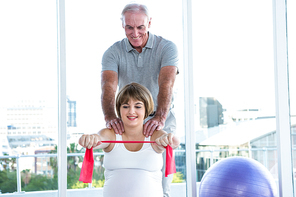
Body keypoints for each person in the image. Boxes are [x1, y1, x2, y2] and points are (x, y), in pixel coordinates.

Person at [101, 3, 179, 196]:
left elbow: (166, 83)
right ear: (123, 26)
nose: (135, 33)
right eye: (129, 27)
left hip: (160, 118)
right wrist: (110, 116)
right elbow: (108, 86)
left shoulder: (167, 48)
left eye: (140, 27)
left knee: (160, 183)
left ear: (149, 23)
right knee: (124, 176)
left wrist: (159, 119)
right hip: (130, 120)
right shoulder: (113, 52)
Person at [79, 83, 180, 197]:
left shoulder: (155, 135)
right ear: (119, 109)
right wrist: (90, 139)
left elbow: (172, 141)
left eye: (137, 106)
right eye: (126, 106)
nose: (131, 111)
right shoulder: (110, 134)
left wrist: (169, 139)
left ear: (146, 109)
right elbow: (98, 139)